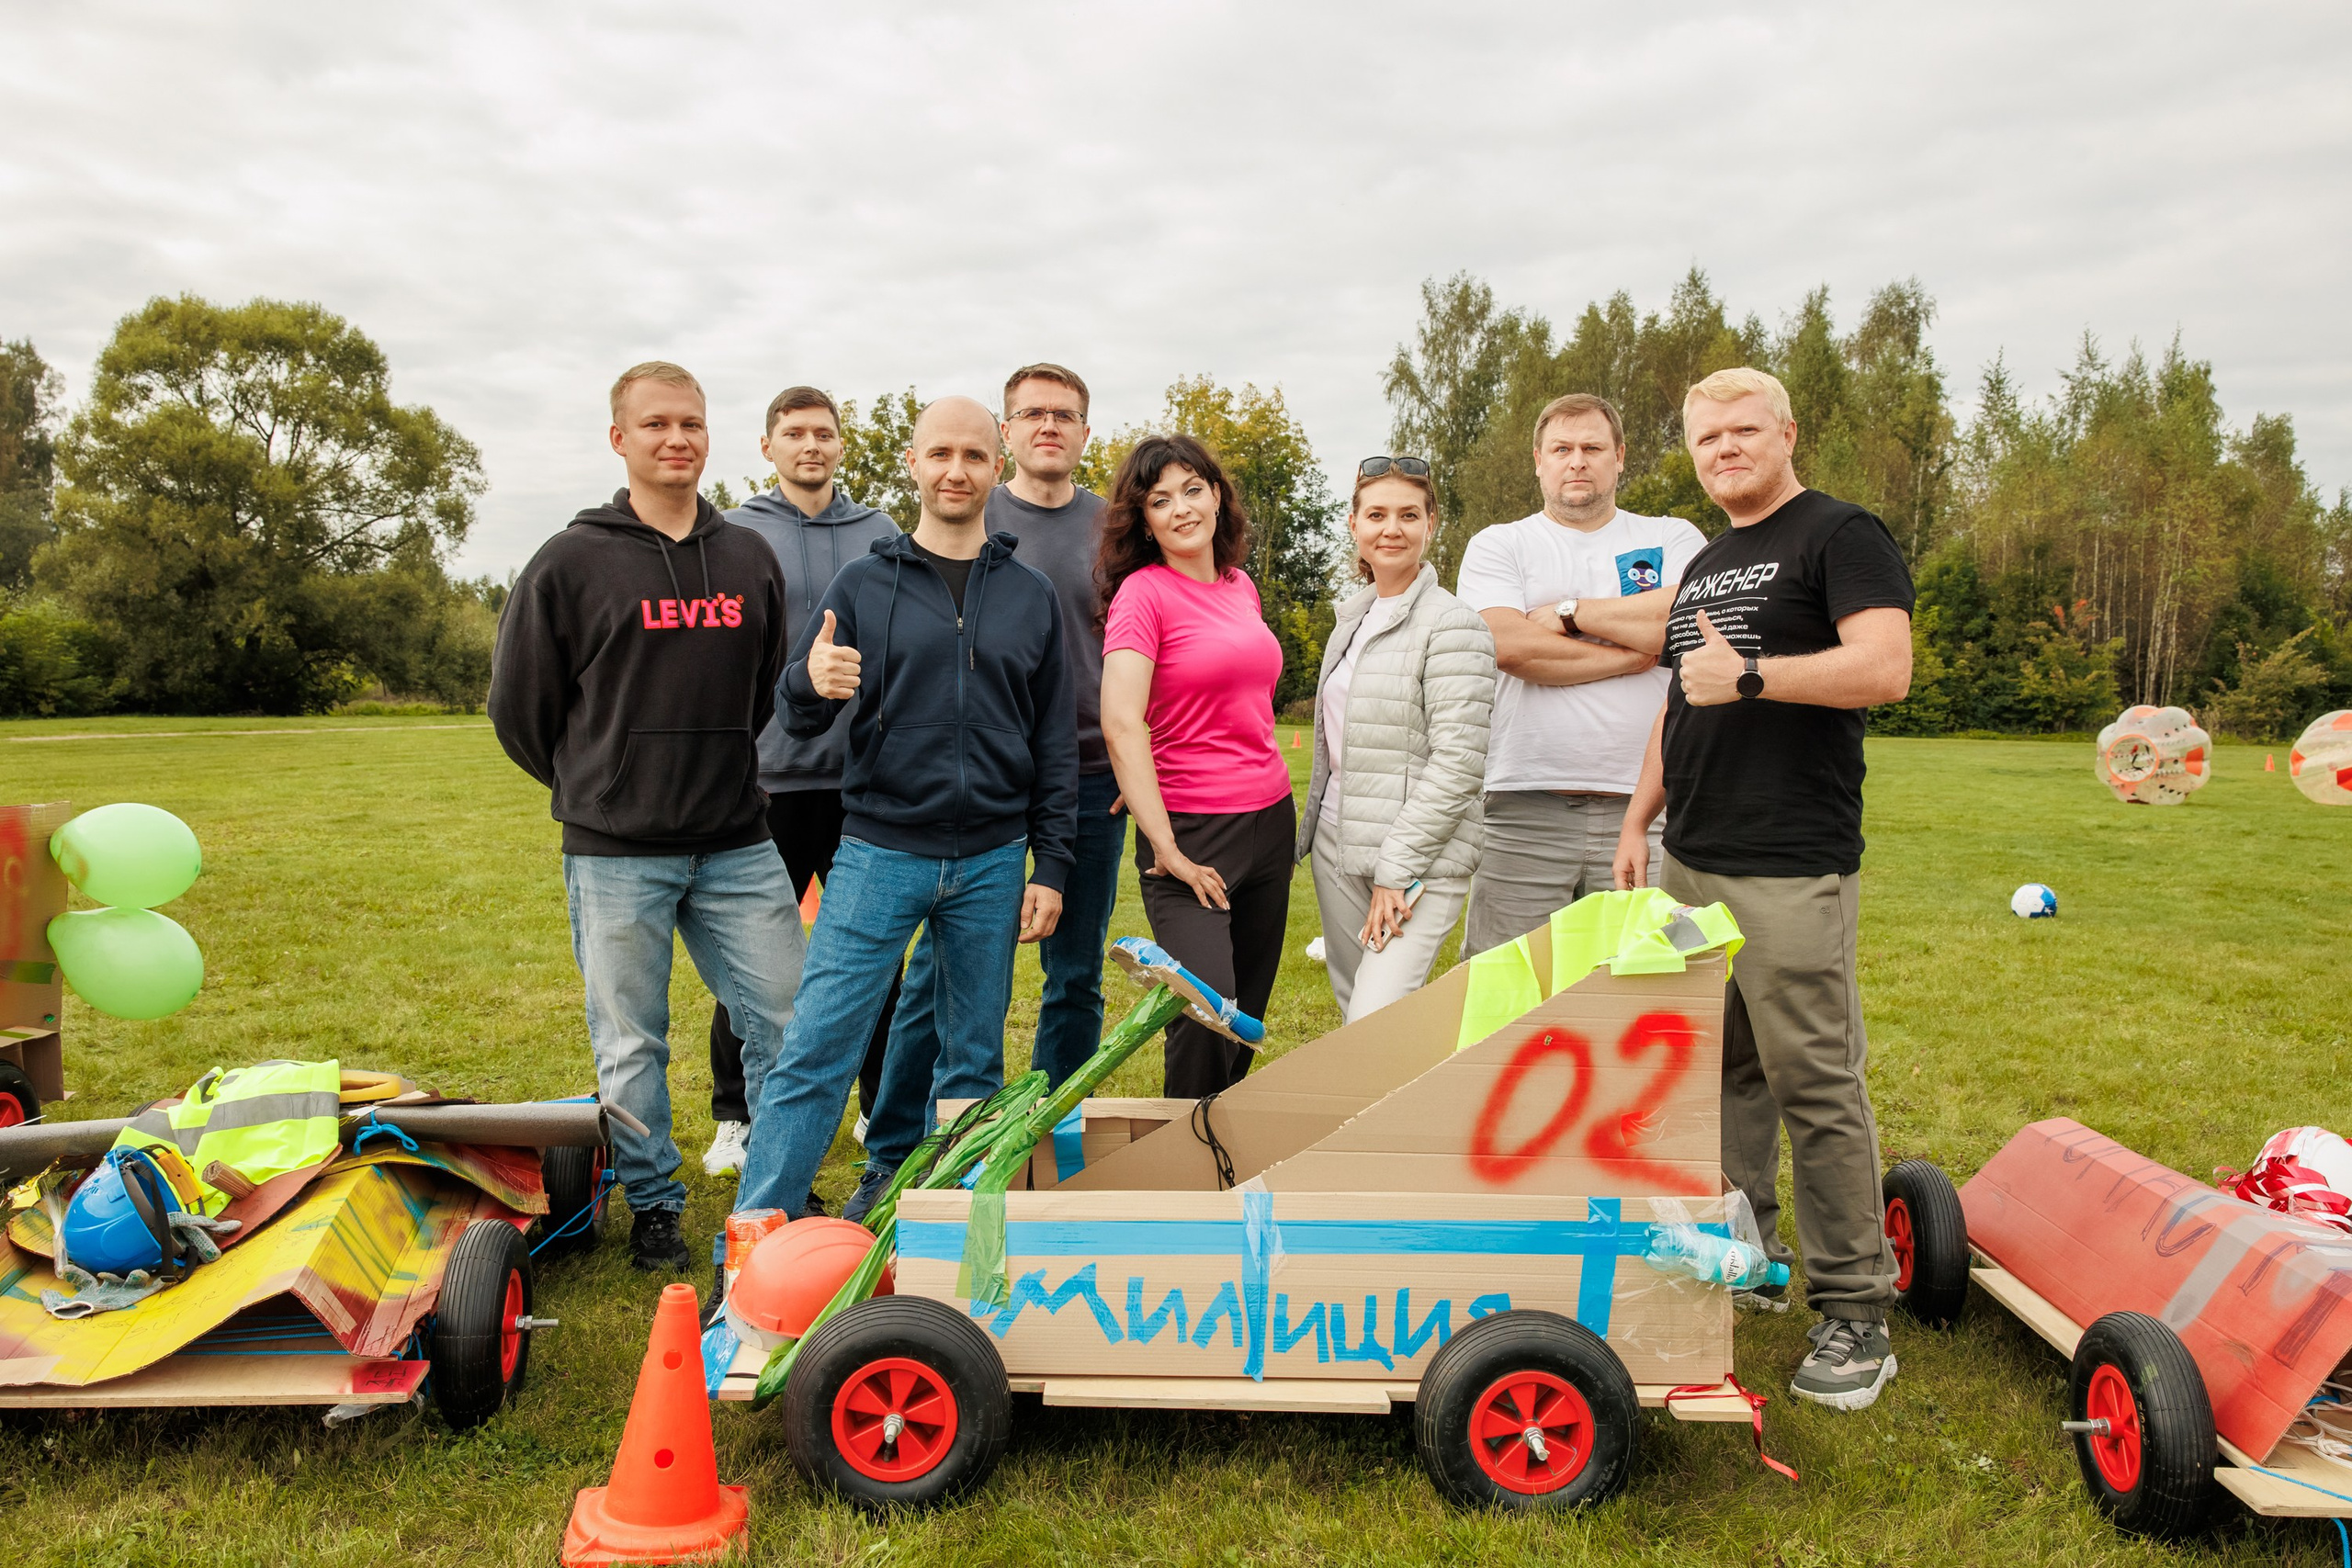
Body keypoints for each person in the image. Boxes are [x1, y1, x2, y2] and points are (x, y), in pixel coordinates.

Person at [1614, 367, 1916, 1412]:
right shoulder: (1712, 557)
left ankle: (1856, 1313)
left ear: (1787, 432)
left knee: (1814, 1085)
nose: (1725, 449)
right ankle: (1752, 1260)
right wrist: (1637, 816)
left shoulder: (1840, 533)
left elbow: (1884, 667)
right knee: (1722, 1075)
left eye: (1743, 430)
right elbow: (1678, 699)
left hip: (1790, 861)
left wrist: (1753, 676)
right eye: (1707, 438)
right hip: (1694, 851)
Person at [489, 361, 802, 1274]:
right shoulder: (569, 561)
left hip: (737, 841)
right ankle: (656, 1205)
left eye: (693, 424)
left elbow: (762, 691)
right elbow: (520, 711)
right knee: (631, 1042)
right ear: (620, 439)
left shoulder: (746, 556)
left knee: (788, 1023)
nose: (678, 440)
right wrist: (603, 784)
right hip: (617, 852)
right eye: (658, 425)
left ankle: (772, 1196)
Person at [734, 396, 1077, 1223]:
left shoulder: (1030, 596)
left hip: (994, 861)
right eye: (939, 454)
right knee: (816, 1051)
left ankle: (939, 1233)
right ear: (913, 465)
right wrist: (805, 683)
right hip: (880, 853)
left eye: (973, 455)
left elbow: (1055, 742)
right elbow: (803, 707)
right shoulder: (864, 583)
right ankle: (751, 1244)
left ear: (997, 465)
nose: (956, 470)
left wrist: (1053, 862)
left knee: (971, 1066)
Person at [700, 386, 904, 1182]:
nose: (810, 446)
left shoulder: (879, 532)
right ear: (768, 446)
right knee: (752, 962)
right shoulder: (735, 532)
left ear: (841, 445)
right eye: (794, 433)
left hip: (864, 784)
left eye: (823, 433)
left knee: (873, 956)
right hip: (768, 783)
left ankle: (878, 1104)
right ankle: (736, 1115)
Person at [1453, 392, 1707, 955]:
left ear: (1619, 457)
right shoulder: (1501, 543)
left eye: (1592, 447)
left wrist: (1572, 615)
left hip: (1654, 809)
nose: (1577, 461)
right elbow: (1508, 645)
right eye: (1561, 449)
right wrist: (1631, 653)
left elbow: (1690, 622)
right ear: (1538, 460)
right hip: (1524, 805)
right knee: (1505, 984)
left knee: (1653, 984)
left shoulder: (1674, 537)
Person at [1099, 434, 1293, 1097]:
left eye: (1192, 489)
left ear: (1216, 495)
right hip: (1191, 833)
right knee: (1209, 1007)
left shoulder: (1242, 587)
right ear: (1143, 519)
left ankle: (1218, 1140)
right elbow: (1123, 720)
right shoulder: (1142, 595)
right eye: (1160, 499)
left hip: (1270, 819)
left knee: (1247, 1015)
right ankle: (1179, 1166)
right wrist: (1165, 842)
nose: (1181, 508)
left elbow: (1242, 700)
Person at [1298, 458, 1494, 1023]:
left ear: (1431, 524)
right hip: (1339, 844)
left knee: (1374, 1018)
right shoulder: (1352, 620)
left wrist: (1397, 870)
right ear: (1354, 525)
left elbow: (1459, 764)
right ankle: (1374, 1116)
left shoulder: (1454, 624)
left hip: (1418, 862)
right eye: (1377, 514)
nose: (1392, 529)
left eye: (1409, 515)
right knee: (1353, 1020)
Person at [985, 363, 1124, 1089]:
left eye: (1063, 415)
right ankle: (928, 1127)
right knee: (959, 968)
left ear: (1084, 432)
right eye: (1033, 413)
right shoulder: (973, 515)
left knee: (1075, 971)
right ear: (1006, 430)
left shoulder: (1118, 528)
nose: (1048, 425)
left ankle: (1056, 1121)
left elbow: (1151, 648)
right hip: (989, 779)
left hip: (1094, 777)